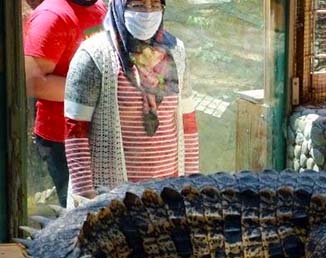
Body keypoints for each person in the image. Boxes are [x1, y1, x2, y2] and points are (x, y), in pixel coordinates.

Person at [64, 0, 200, 200]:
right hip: (112, 199)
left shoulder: (175, 51)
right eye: (137, 5)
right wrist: (86, 198)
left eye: (155, 5)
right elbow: (75, 130)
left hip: (169, 195)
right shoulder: (94, 55)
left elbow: (188, 122)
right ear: (119, 5)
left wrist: (191, 184)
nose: (147, 12)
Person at [24, 0, 107, 206]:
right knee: (77, 213)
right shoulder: (51, 16)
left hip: (95, 133)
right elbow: (32, 81)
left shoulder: (99, 7)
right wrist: (94, 91)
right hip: (63, 139)